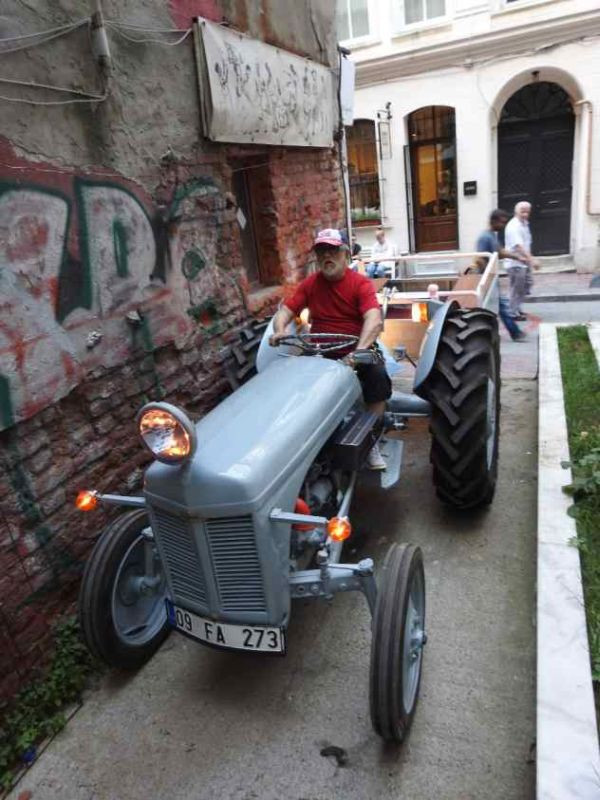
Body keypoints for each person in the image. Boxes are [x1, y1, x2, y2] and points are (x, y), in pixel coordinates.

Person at [269, 228, 391, 470]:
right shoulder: (310, 284)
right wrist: (280, 330)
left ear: (345, 254)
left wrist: (358, 352)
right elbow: (285, 311)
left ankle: (370, 439)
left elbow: (374, 319)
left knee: (376, 377)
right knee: (292, 382)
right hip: (319, 351)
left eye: (333, 250)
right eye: (322, 250)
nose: (327, 256)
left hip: (355, 349)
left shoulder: (361, 284)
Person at [475, 209, 527, 342]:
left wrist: (516, 256)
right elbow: (479, 259)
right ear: (494, 221)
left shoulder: (492, 235)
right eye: (501, 222)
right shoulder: (485, 237)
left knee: (497, 306)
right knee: (501, 306)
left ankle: (508, 332)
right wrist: (486, 277)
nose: (503, 225)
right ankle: (515, 333)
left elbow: (500, 252)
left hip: (491, 277)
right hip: (487, 277)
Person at [504, 201, 539, 319]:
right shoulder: (514, 226)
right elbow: (519, 246)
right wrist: (532, 260)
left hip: (524, 262)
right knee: (517, 289)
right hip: (515, 263)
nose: (525, 214)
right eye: (522, 211)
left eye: (527, 211)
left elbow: (526, 243)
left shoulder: (524, 223)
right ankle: (512, 312)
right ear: (516, 211)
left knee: (527, 284)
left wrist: (529, 260)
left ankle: (516, 307)